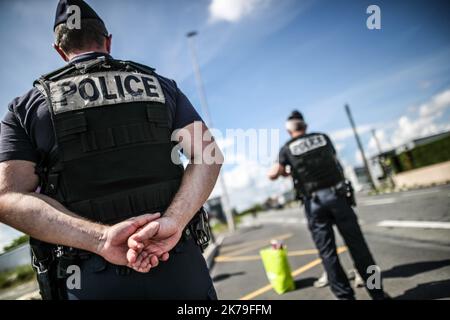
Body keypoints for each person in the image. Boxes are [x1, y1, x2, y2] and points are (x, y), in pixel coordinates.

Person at [0, 0, 222, 299]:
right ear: (108, 41)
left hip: (86, 276)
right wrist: (174, 222)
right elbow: (208, 156)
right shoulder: (161, 86)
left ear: (60, 50)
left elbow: (8, 197)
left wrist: (101, 239)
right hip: (176, 259)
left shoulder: (26, 107)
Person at [268, 110, 388, 300]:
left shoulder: (287, 148)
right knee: (360, 249)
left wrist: (286, 170)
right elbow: (329, 159)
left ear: (289, 131)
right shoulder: (323, 138)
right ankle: (378, 294)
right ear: (305, 126)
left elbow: (273, 174)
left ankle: (344, 297)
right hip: (338, 197)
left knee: (328, 254)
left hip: (314, 203)